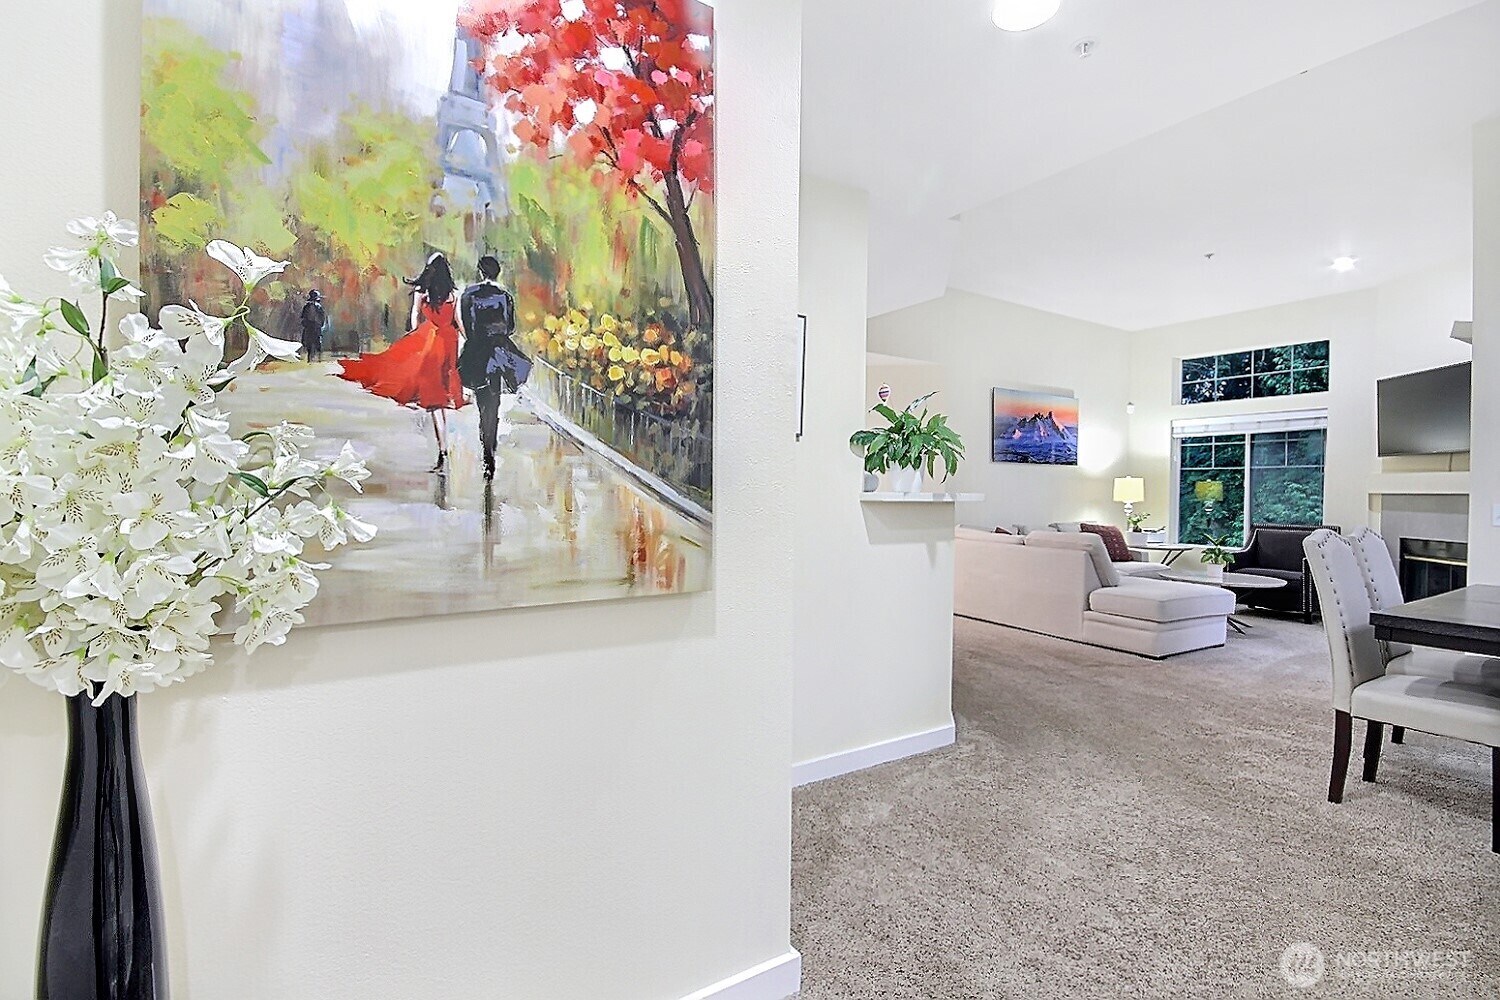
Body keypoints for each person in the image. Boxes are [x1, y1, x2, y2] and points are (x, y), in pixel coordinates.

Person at [336, 253, 466, 473]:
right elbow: (459, 322)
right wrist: (468, 341)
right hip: (449, 343)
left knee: (434, 399)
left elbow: (415, 318)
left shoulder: (421, 293)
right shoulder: (454, 295)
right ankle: (443, 445)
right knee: (442, 393)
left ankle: (443, 448)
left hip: (429, 341)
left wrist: (416, 340)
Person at [459, 255, 529, 481]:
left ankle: (486, 444)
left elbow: (468, 325)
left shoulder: (469, 294)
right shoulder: (505, 296)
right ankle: (491, 441)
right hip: (498, 351)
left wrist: (478, 337)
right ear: (497, 273)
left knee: (482, 399)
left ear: (480, 272)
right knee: (495, 400)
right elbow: (510, 327)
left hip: (478, 350)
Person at [299, 290, 326, 362]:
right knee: (317, 342)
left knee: (308, 343)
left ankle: (309, 358)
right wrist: (321, 325)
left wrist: (305, 324)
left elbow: (303, 317)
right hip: (316, 327)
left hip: (308, 327)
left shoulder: (306, 306)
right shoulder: (319, 307)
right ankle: (319, 358)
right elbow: (322, 317)